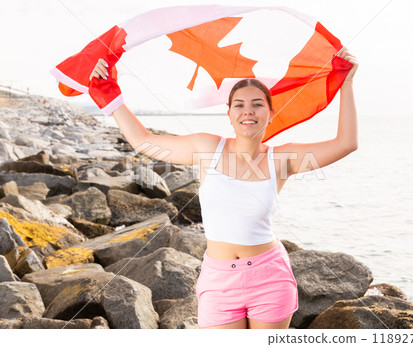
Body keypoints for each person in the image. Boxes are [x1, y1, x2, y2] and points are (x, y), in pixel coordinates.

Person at [89, 48, 358, 329]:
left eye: (257, 104)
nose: (248, 111)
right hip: (218, 280)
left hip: (269, 277)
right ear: (229, 114)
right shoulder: (207, 148)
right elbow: (144, 141)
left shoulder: (281, 158)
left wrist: (347, 83)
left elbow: (346, 143)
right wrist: (110, 92)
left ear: (270, 112)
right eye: (239, 105)